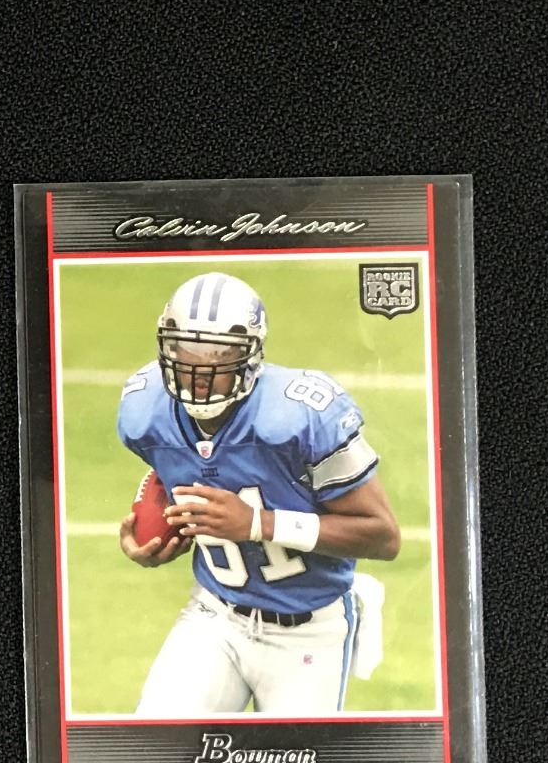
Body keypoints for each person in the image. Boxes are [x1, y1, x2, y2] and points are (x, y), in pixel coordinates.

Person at [117, 271, 400, 713]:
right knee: (158, 744)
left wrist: (257, 524)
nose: (199, 371)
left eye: (219, 354)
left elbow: (382, 536)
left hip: (309, 630)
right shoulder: (145, 408)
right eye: (186, 351)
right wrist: (159, 532)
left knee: (295, 756)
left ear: (250, 355)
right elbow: (178, 471)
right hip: (214, 613)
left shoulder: (304, 415)